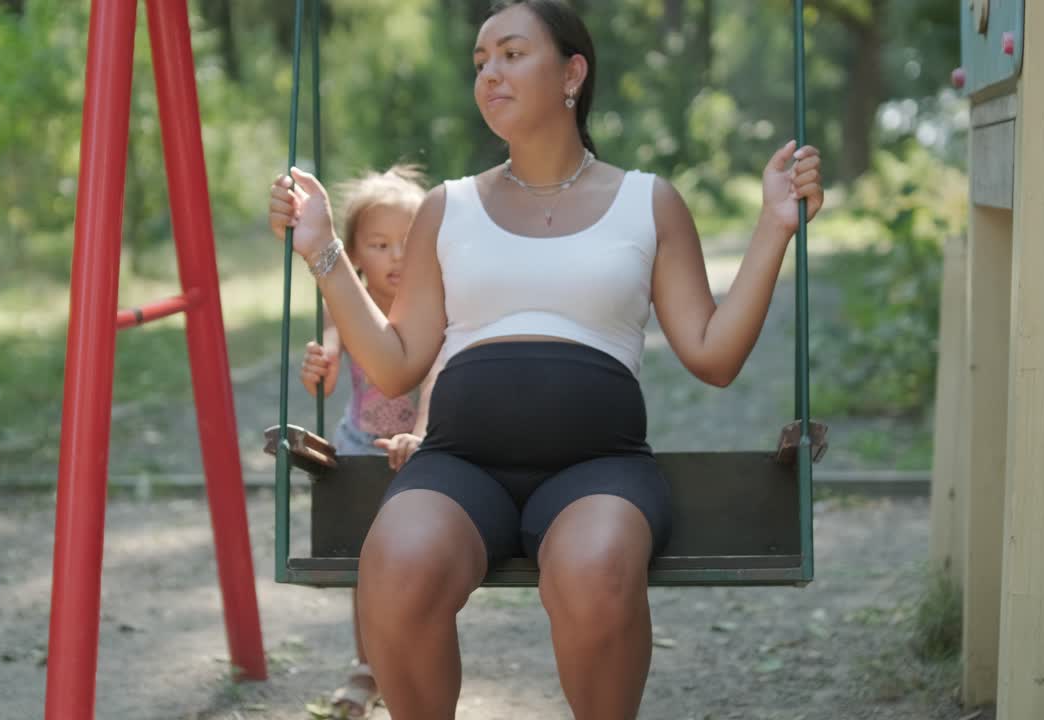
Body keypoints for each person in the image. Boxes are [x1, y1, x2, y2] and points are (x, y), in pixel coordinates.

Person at [269, 2, 824, 717]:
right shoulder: (447, 207)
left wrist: (775, 226)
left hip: (599, 467)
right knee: (397, 564)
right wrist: (321, 245)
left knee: (595, 569)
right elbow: (397, 363)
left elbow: (714, 357)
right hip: (459, 465)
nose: (489, 73)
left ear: (572, 72)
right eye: (479, 62)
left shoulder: (647, 202)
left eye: (510, 54)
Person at [276, 164, 435, 717]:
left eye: (408, 244)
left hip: (415, 452)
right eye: (380, 244)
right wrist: (320, 361)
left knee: (414, 562)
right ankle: (367, 665)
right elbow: (330, 350)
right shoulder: (349, 302)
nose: (396, 256)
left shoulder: (432, 305)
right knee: (361, 565)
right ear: (355, 255)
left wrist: (420, 435)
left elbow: (439, 379)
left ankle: (406, 659)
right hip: (358, 447)